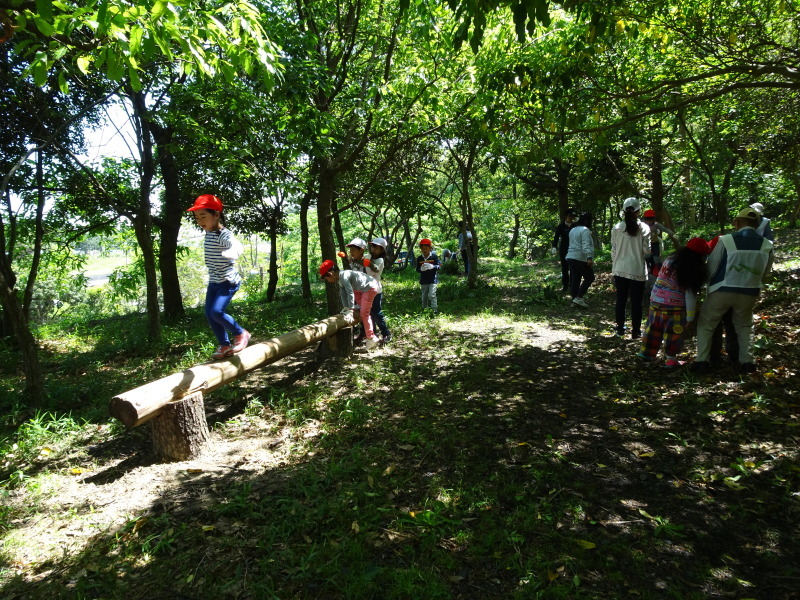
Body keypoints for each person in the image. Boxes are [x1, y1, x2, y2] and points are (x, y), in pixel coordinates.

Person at [691, 207, 774, 374]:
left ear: (737, 222)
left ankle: (702, 361)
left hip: (722, 289)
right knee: (744, 326)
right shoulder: (767, 244)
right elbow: (766, 271)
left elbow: (712, 268)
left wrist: (702, 284)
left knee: (706, 324)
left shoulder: (726, 240)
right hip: (749, 291)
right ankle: (747, 362)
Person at [186, 194, 251, 360]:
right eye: (197, 217)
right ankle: (224, 344)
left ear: (216, 215)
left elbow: (236, 245)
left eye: (203, 216)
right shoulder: (208, 232)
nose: (200, 221)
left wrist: (232, 252)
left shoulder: (224, 234)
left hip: (227, 282)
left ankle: (241, 333)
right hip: (214, 281)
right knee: (209, 313)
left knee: (216, 311)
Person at [637, 238, 710, 368]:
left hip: (656, 300)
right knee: (674, 332)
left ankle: (647, 353)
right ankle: (671, 359)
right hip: (675, 306)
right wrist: (690, 316)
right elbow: (690, 294)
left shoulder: (670, 259)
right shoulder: (691, 268)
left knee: (654, 327)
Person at [611, 197, 652, 338]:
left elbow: (614, 250)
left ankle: (620, 329)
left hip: (619, 268)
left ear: (623, 210)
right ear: (638, 211)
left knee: (621, 299)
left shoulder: (617, 228)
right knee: (636, 302)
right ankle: (635, 331)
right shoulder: (644, 228)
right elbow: (647, 251)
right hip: (637, 269)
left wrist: (615, 264)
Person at [319, 259, 381, 350]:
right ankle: (358, 310)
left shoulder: (344, 276)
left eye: (327, 278)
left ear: (331, 274)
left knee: (364, 313)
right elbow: (343, 293)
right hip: (361, 289)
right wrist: (346, 307)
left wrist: (351, 309)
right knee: (360, 309)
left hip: (370, 287)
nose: (328, 281)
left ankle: (371, 337)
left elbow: (350, 292)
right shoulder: (340, 279)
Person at [565, 211, 595, 307]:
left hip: (570, 257)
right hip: (579, 258)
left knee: (576, 278)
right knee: (590, 277)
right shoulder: (585, 230)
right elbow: (586, 245)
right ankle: (579, 297)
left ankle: (574, 300)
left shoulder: (573, 229)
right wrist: (589, 258)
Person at [367, 237, 392, 343]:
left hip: (375, 290)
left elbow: (370, 272)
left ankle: (386, 333)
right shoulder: (368, 257)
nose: (373, 249)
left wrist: (366, 262)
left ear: (382, 250)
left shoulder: (380, 260)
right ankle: (373, 333)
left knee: (377, 313)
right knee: (369, 313)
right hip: (366, 289)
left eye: (376, 247)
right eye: (372, 246)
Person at [552, 208, 577, 291]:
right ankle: (565, 285)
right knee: (564, 267)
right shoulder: (561, 226)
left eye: (573, 216)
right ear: (566, 216)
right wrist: (554, 246)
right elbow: (556, 237)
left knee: (573, 267)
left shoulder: (575, 226)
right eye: (570, 216)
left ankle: (572, 284)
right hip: (564, 249)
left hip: (573, 249)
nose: (571, 218)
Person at [416, 238, 440, 313]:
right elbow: (417, 269)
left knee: (432, 294)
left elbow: (439, 266)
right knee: (424, 296)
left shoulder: (434, 257)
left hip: (433, 279)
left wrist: (433, 267)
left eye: (426, 248)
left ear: (430, 248)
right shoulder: (419, 258)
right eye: (422, 248)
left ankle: (434, 310)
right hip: (424, 280)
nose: (424, 250)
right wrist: (421, 269)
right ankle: (425, 310)